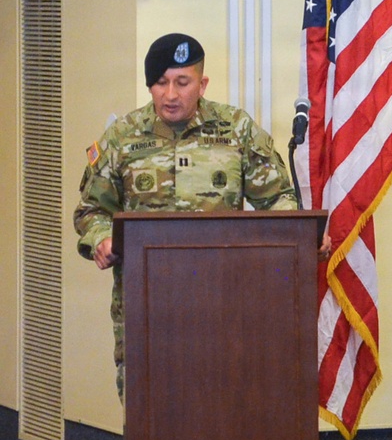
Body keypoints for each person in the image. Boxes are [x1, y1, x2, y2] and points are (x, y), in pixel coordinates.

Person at [73, 32, 330, 404]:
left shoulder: (235, 130)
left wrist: (304, 236)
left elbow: (277, 199)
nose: (170, 94)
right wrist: (101, 238)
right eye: (160, 83)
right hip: (147, 307)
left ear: (202, 83)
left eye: (182, 82)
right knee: (150, 411)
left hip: (227, 304)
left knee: (225, 407)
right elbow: (91, 209)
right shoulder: (122, 138)